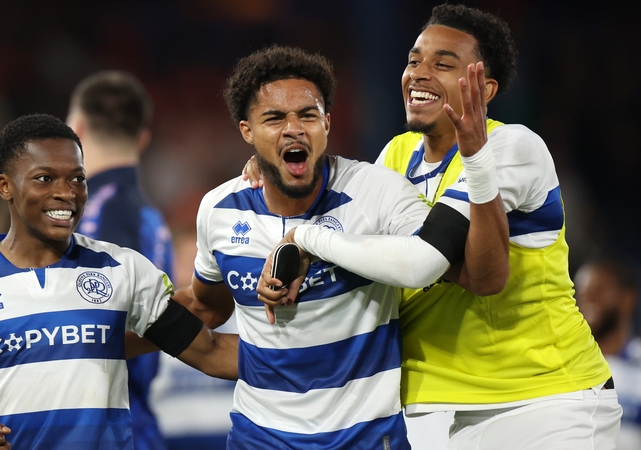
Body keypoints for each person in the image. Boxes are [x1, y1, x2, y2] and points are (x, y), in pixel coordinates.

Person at [244, 4, 621, 449]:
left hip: (544, 401)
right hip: (429, 408)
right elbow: (350, 237)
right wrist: (272, 166)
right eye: (413, 60)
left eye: (443, 64)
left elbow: (451, 270)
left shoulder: (513, 145)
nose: (419, 73)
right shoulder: (395, 156)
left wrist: (309, 237)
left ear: (486, 87)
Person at [176, 44, 507, 449]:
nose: (294, 128)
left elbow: (443, 265)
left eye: (308, 115)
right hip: (258, 439)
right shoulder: (218, 209)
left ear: (328, 123)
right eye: (274, 118)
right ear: (247, 130)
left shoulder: (378, 191)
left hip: (367, 439)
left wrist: (309, 240)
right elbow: (208, 305)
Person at [0, 113, 238, 450]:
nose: (66, 193)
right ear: (5, 186)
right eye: (45, 178)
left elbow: (209, 350)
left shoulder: (122, 268)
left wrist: (291, 352)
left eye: (77, 179)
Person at [66, 70, 175, 450]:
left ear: (76, 127)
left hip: (103, 426)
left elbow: (95, 325)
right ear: (142, 138)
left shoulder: (96, 215)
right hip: (133, 416)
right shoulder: (149, 216)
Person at [575, 254, 641, 450]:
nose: (587, 300)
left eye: (598, 291)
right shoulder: (562, 362)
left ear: (628, 298)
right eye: (581, 293)